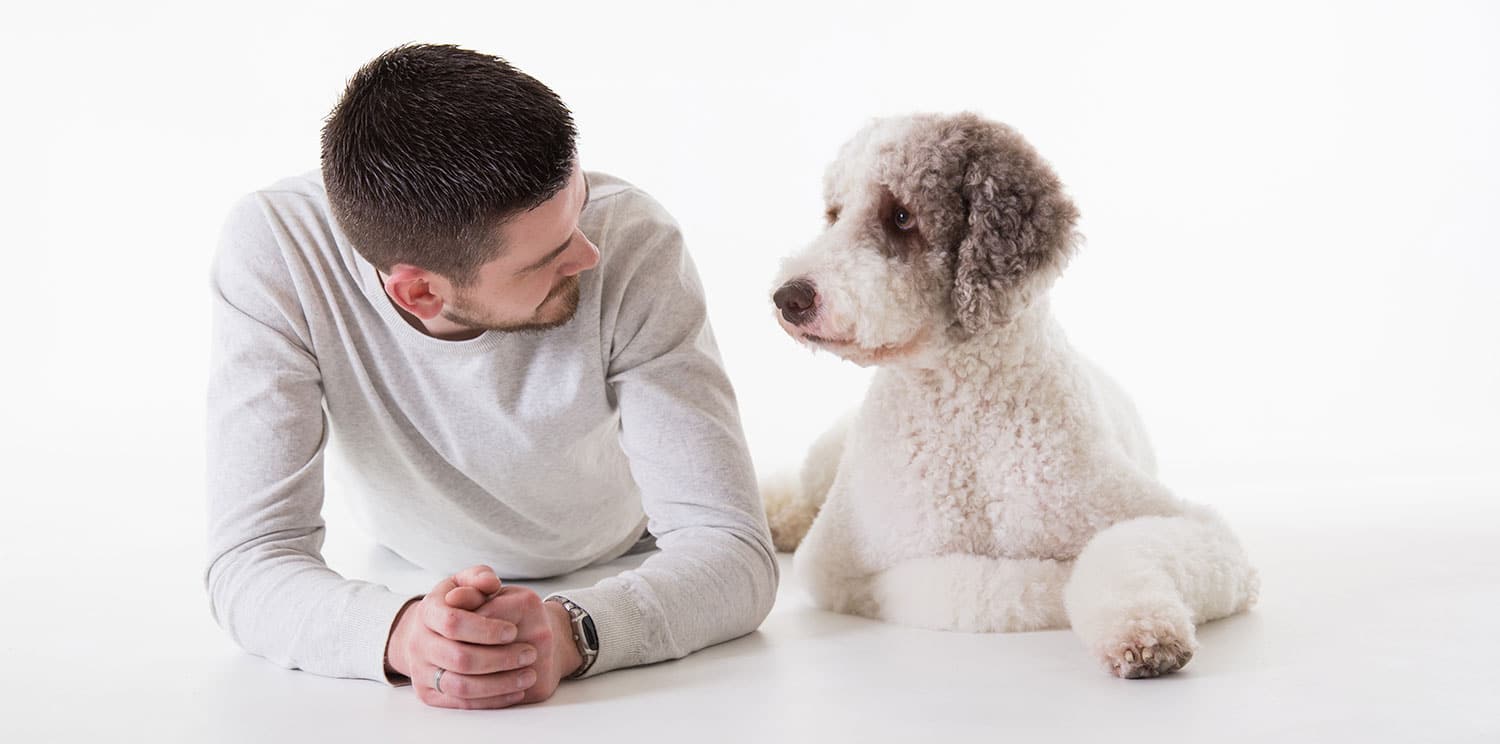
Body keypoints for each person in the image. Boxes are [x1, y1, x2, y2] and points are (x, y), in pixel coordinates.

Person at [204, 43, 778, 709]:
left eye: (579, 204)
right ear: (417, 293)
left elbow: (734, 553)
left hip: (618, 548)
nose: (590, 253)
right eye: (552, 255)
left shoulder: (632, 239)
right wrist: (405, 634)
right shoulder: (276, 249)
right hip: (407, 554)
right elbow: (248, 562)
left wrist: (570, 632)